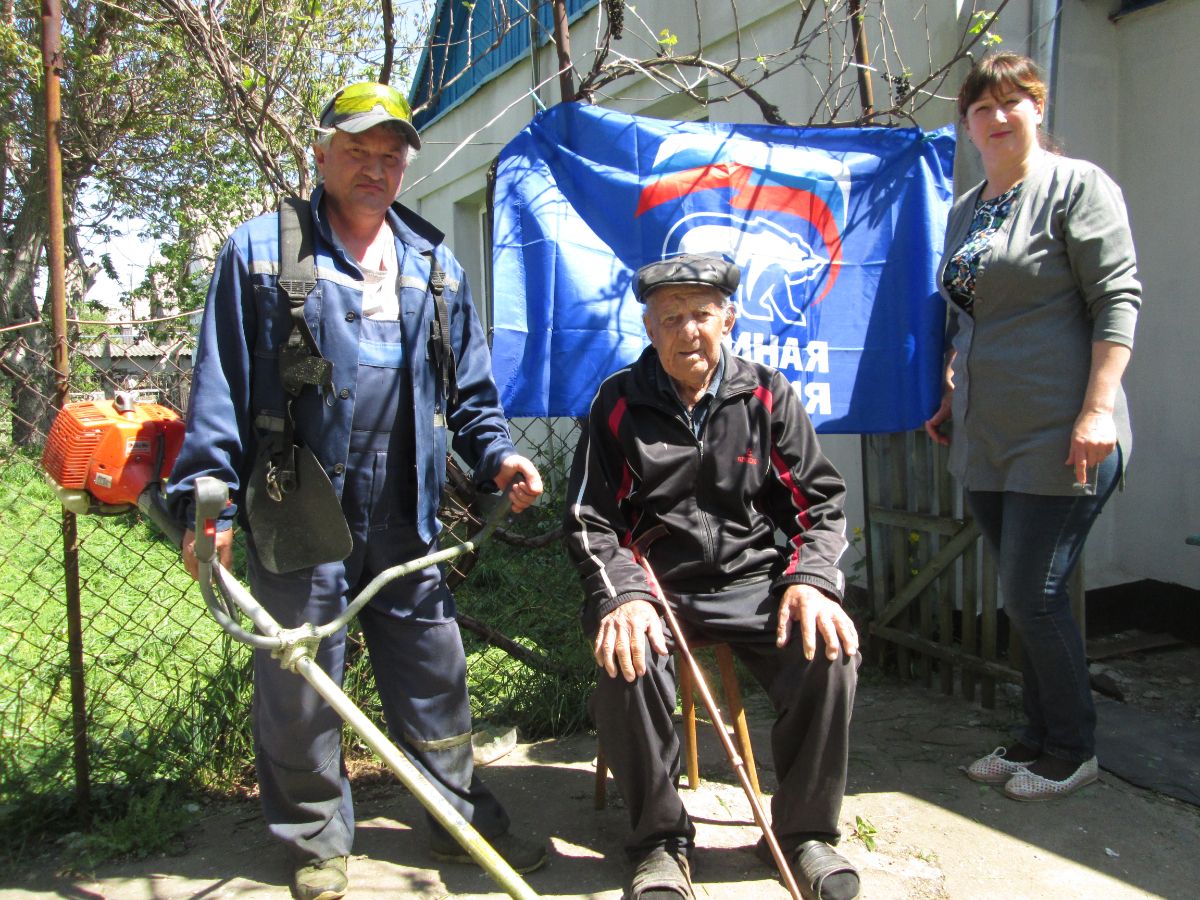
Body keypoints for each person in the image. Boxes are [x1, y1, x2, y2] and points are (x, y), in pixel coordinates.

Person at [166, 82, 548, 899]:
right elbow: (220, 389)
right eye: (357, 150)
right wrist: (210, 502)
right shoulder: (262, 254)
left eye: (390, 155)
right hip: (296, 500)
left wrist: (500, 461)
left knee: (434, 667)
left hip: (405, 505)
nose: (375, 167)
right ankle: (315, 840)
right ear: (321, 152)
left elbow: (473, 400)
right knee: (302, 679)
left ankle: (453, 813)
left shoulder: (434, 266)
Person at [563, 253, 861, 900]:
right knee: (627, 658)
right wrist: (625, 596)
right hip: (656, 587)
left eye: (701, 314)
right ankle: (660, 842)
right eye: (671, 318)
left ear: (729, 318)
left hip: (752, 582)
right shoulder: (618, 403)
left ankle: (803, 834)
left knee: (830, 651)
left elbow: (819, 501)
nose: (688, 331)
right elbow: (590, 519)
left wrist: (811, 578)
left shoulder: (764, 394)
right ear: (649, 327)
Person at [924, 52, 1141, 801]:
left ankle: (1073, 747)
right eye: (982, 107)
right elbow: (967, 315)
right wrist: (954, 385)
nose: (998, 116)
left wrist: (1097, 409)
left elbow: (1118, 299)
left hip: (1063, 430)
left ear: (1037, 109)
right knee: (1024, 596)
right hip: (988, 435)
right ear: (968, 124)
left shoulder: (1076, 188)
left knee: (1033, 594)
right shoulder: (965, 209)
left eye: (1014, 101)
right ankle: (1035, 737)